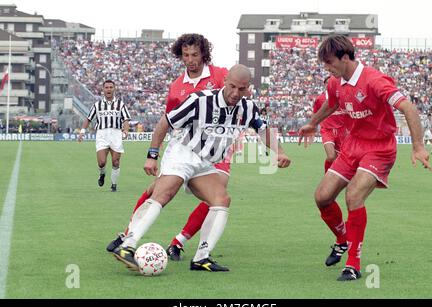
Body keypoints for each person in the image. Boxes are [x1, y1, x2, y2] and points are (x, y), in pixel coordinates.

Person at [112, 64, 291, 272]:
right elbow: (165, 122)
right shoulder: (200, 100)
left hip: (205, 162)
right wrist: (152, 155)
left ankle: (201, 258)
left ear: (248, 88)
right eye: (232, 86)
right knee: (165, 192)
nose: (235, 93)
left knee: (221, 200)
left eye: (241, 89)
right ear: (225, 81)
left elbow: (263, 130)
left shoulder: (248, 108)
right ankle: (127, 245)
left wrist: (280, 152)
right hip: (182, 153)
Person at [298, 35, 431, 281]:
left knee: (353, 195)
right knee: (322, 197)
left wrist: (418, 146)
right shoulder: (335, 82)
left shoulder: (374, 80)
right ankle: (342, 240)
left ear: (345, 58)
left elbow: (408, 108)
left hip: (379, 148)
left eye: (329, 62)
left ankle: (353, 264)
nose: (326, 68)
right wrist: (312, 123)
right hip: (353, 146)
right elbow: (332, 104)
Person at [106, 34, 230, 261]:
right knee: (160, 190)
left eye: (195, 54)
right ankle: (128, 237)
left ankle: (182, 244)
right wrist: (153, 154)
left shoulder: (221, 75)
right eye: (185, 55)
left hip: (215, 150)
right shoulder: (176, 88)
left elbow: (237, 96)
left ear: (204, 53)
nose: (190, 60)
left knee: (219, 195)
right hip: (184, 149)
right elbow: (168, 121)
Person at [78, 80, 131, 192]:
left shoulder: (120, 104)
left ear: (114, 89)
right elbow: (88, 119)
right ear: (103, 89)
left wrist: (126, 130)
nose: (109, 89)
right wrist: (82, 131)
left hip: (116, 134)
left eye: (111, 87)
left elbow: (126, 119)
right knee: (101, 162)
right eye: (106, 87)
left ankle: (114, 184)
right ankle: (102, 174)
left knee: (115, 161)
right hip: (102, 134)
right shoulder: (97, 105)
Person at [311, 76, 349, 173]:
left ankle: (337, 177)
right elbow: (315, 114)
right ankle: (327, 175)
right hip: (327, 130)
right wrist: (312, 127)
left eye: (331, 83)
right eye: (327, 83)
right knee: (331, 156)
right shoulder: (320, 99)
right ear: (324, 85)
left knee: (343, 159)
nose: (329, 85)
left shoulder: (343, 96)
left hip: (342, 131)